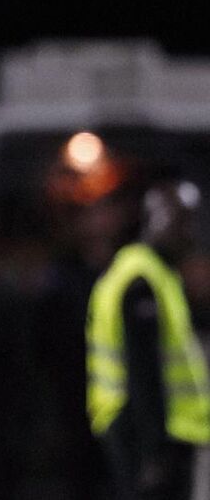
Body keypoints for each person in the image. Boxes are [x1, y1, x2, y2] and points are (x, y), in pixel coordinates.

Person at [86, 178, 210, 500]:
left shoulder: (154, 271)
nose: (190, 233)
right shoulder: (142, 279)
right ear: (163, 220)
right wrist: (154, 452)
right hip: (143, 428)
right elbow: (143, 372)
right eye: (184, 221)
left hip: (153, 427)